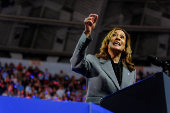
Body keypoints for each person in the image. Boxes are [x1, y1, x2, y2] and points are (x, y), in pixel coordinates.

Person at [70, 14, 136, 105]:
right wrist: (87, 33)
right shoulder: (93, 61)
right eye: (114, 35)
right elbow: (76, 64)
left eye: (122, 37)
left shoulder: (131, 72)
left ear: (125, 47)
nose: (118, 38)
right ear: (108, 43)